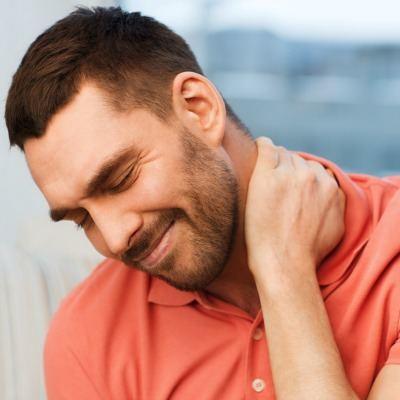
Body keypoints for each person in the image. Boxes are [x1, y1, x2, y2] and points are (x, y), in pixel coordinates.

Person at [5, 6, 400, 400]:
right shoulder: (85, 336)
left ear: (199, 109)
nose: (115, 238)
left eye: (120, 179)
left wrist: (283, 272)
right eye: (82, 219)